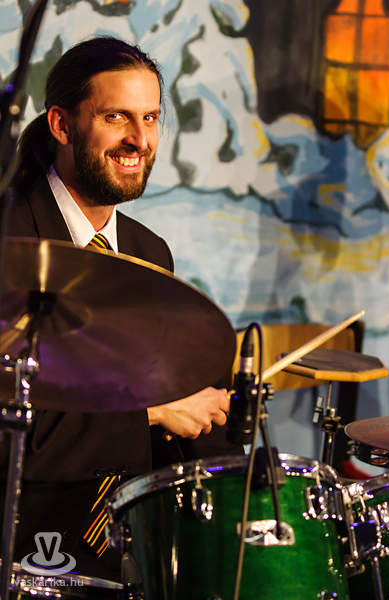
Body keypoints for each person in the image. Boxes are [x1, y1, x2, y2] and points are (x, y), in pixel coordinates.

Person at [0, 36, 240, 581]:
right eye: (116, 117)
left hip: (127, 546)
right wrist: (150, 411)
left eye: (150, 118)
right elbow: (12, 427)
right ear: (62, 125)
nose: (139, 139)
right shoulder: (10, 243)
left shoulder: (149, 252)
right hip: (24, 549)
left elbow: (173, 401)